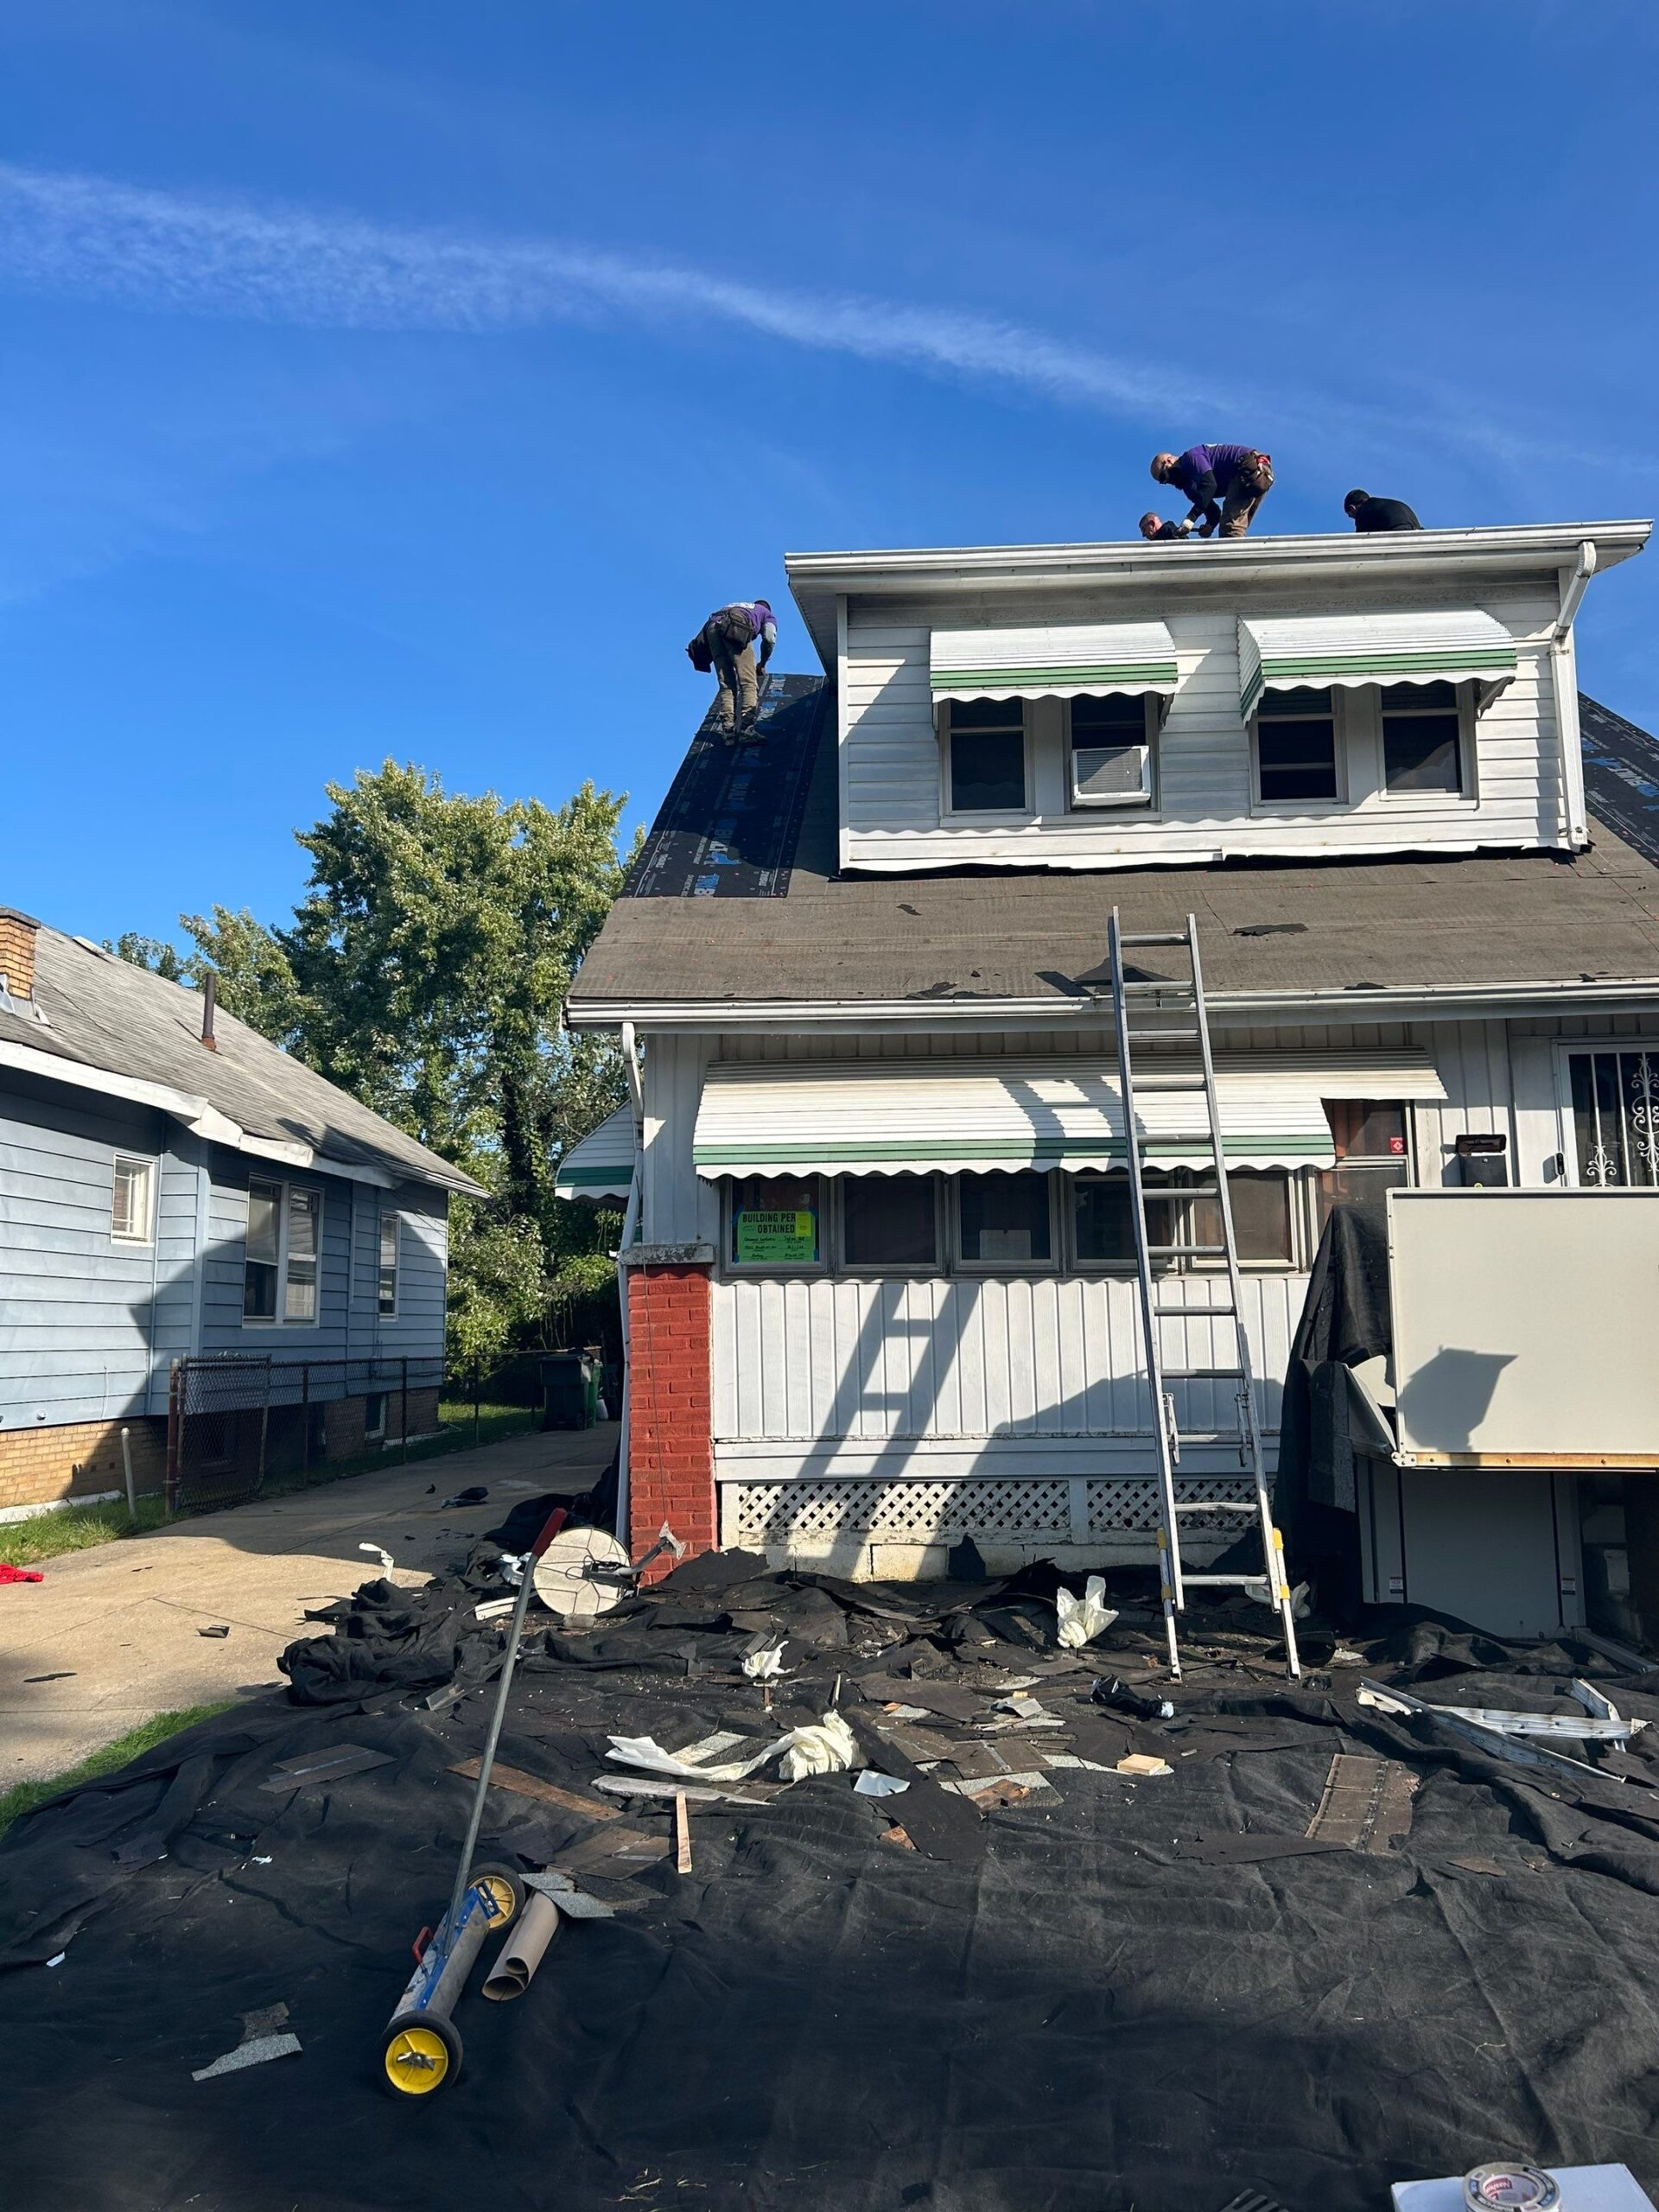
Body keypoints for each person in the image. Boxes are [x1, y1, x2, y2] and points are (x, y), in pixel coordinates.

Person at [688, 599, 778, 739]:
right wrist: (762, 663)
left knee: (726, 684)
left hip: (712, 629)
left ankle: (728, 730)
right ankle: (747, 730)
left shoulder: (737, 605)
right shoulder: (766, 613)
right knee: (748, 682)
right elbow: (769, 638)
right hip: (737, 627)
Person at [1150, 445, 1274, 538]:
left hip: (1249, 467)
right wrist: (1210, 524)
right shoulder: (1189, 488)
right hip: (1253, 474)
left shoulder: (1191, 458)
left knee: (1230, 528)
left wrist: (1190, 519)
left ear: (1168, 461)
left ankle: (1235, 568)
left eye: (1162, 477)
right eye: (1162, 482)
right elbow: (1213, 511)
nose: (1166, 482)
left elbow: (1210, 486)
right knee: (1236, 526)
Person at [1344, 488, 1421, 532]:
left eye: (1352, 516)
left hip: (1399, 533)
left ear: (1352, 508)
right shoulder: (1385, 504)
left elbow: (1360, 539)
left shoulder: (1364, 510)